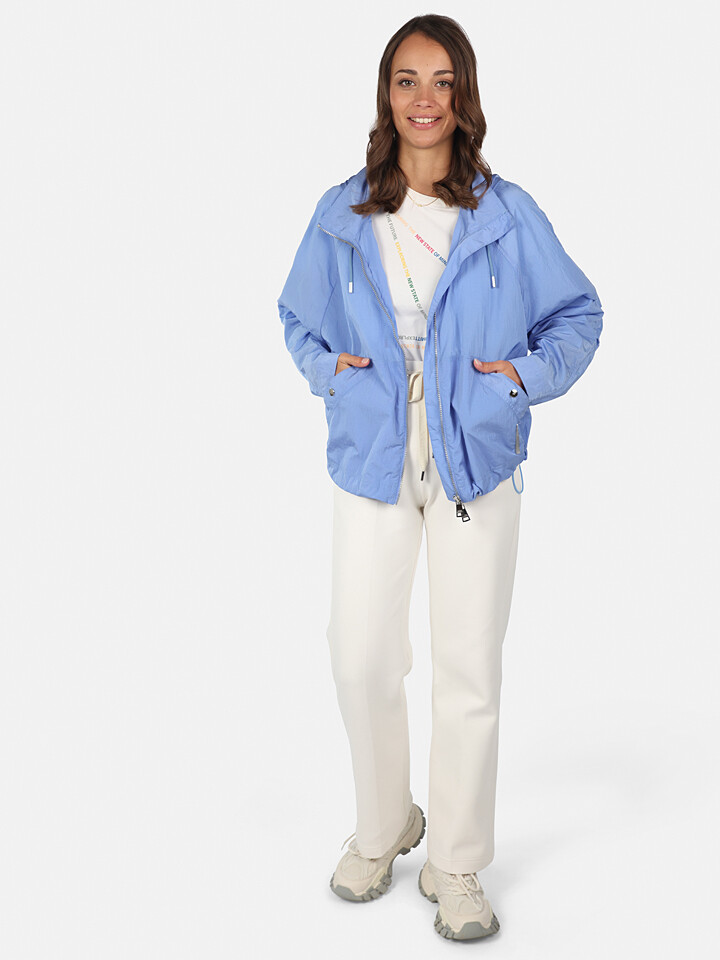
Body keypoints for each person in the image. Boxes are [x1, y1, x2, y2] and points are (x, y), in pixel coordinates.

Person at [277, 13, 603, 942]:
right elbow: (297, 317)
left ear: (465, 96)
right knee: (359, 653)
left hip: (475, 454)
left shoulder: (506, 214)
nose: (425, 100)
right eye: (407, 80)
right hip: (373, 449)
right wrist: (331, 372)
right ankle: (386, 823)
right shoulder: (341, 212)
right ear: (386, 95)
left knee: (468, 665)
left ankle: (455, 861)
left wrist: (517, 381)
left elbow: (579, 316)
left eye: (443, 81)